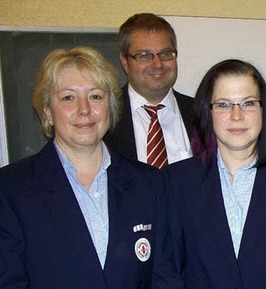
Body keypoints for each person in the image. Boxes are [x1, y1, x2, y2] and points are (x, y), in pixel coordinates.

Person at [0, 46, 166, 288]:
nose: (84, 109)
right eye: (68, 97)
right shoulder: (10, 189)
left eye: (96, 96)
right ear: (47, 111)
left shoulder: (150, 183)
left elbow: (164, 276)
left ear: (110, 107)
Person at [161, 59, 266, 288]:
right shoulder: (177, 182)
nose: (237, 115)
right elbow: (169, 273)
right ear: (208, 112)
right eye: (224, 105)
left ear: (263, 110)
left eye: (248, 103)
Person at [104, 13, 193, 168]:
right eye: (144, 55)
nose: (157, 64)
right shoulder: (102, 116)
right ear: (125, 61)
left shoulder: (203, 114)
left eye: (165, 54)